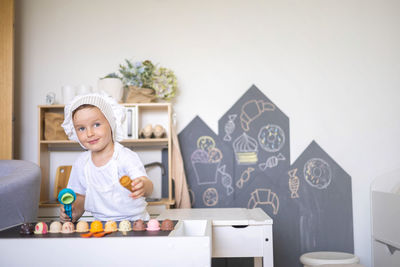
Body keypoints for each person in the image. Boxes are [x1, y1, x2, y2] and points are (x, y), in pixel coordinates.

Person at [59, 92, 153, 222]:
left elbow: (148, 187)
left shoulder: (125, 157)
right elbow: (80, 196)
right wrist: (74, 211)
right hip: (101, 225)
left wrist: (143, 186)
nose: (90, 133)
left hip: (136, 223)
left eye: (96, 124)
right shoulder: (81, 163)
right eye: (81, 128)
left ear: (111, 123)